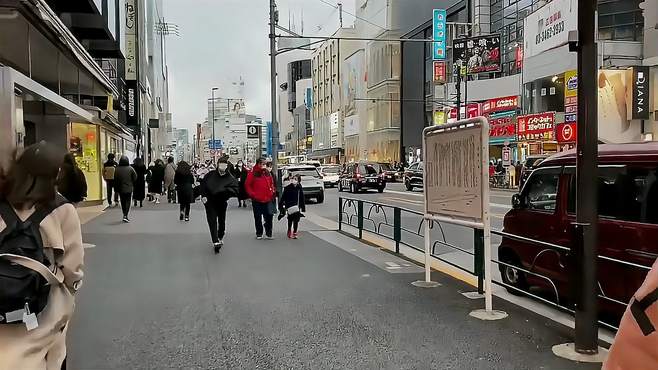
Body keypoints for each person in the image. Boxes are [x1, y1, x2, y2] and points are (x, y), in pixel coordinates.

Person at [0, 142, 84, 370]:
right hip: (41, 306)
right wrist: (71, 290)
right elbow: (72, 266)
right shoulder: (62, 209)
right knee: (51, 355)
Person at [198, 157, 239, 253]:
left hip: (222, 202)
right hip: (210, 202)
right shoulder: (210, 175)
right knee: (212, 221)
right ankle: (215, 241)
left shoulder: (230, 178)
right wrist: (203, 196)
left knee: (221, 221)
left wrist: (225, 191)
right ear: (217, 164)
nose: (222, 166)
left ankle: (220, 235)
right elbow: (203, 185)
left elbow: (235, 189)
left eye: (224, 164)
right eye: (221, 164)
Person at [245, 157, 276, 240]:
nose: (264, 166)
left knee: (269, 216)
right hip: (257, 199)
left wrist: (272, 191)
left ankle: (269, 233)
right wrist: (253, 194)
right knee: (258, 217)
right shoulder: (253, 173)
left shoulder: (267, 173)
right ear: (258, 164)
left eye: (265, 164)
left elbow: (271, 183)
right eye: (263, 164)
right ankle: (259, 233)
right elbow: (247, 185)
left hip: (268, 199)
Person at [279, 174, 305, 239]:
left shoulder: (299, 188)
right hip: (289, 206)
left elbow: (302, 198)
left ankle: (295, 232)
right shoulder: (287, 188)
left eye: (296, 179)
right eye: (293, 179)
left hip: (297, 206)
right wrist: (281, 206)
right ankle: (289, 229)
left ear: (298, 181)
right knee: (290, 219)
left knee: (296, 220)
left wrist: (303, 207)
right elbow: (283, 197)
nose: (294, 180)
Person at [113, 156, 137, 223]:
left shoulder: (117, 169)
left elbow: (115, 179)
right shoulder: (130, 168)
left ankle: (124, 214)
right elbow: (135, 177)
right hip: (129, 188)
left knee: (123, 201)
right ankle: (126, 215)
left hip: (120, 188)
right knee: (128, 201)